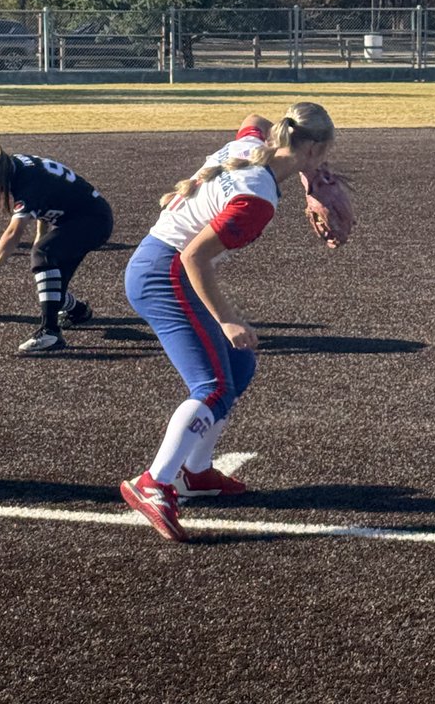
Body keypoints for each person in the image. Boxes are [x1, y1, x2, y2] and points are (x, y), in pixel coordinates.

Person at [120, 104, 336, 542]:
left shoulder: (253, 146)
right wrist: (227, 319)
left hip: (159, 265)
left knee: (239, 367)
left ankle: (194, 472)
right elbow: (192, 257)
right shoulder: (256, 198)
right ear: (311, 148)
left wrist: (309, 177)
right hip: (165, 273)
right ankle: (155, 482)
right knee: (214, 386)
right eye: (324, 154)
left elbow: (256, 119)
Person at [0, 136, 114, 353]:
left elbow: (13, 232)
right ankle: (79, 311)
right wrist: (41, 234)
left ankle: (50, 333)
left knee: (43, 254)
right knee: (53, 288)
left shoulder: (26, 181)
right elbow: (47, 198)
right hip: (84, 218)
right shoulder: (14, 166)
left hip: (93, 221)